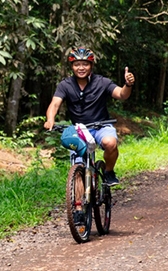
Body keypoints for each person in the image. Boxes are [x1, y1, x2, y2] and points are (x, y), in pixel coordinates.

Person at [43, 48, 135, 186]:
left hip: (101, 126)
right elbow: (55, 104)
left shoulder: (102, 82)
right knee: (78, 169)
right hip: (79, 130)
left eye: (85, 64)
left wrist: (128, 84)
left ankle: (109, 172)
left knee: (110, 143)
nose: (81, 68)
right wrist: (50, 120)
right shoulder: (65, 85)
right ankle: (78, 205)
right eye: (77, 64)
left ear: (91, 66)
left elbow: (122, 94)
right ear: (72, 66)